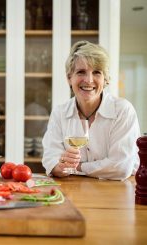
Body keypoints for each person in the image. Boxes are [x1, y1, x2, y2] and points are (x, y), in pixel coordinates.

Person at [42, 40, 141, 181]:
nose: (89, 80)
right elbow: (50, 159)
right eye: (81, 72)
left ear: (105, 79)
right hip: (73, 190)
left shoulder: (123, 111)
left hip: (119, 191)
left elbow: (120, 167)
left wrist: (76, 167)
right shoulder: (60, 112)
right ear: (69, 78)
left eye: (96, 72)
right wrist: (61, 167)